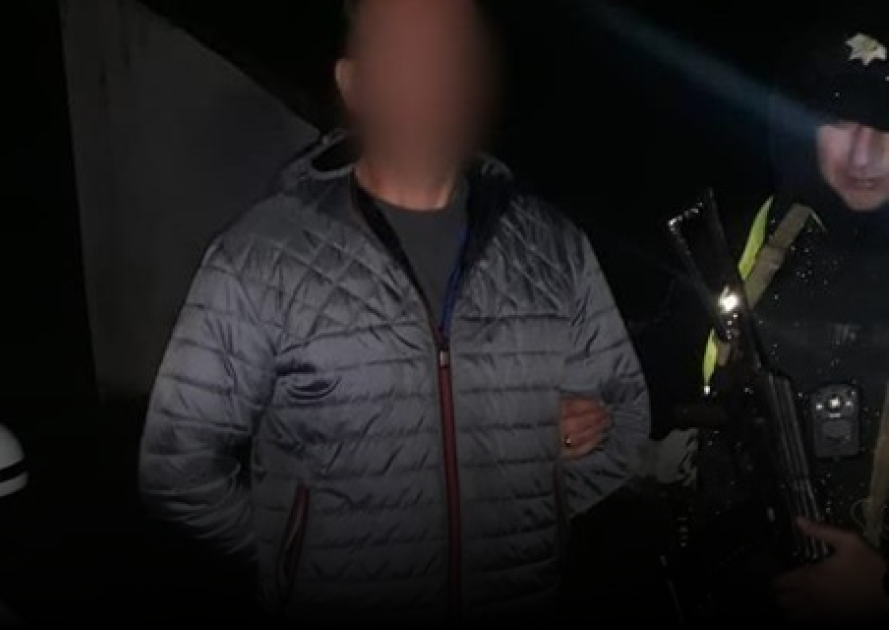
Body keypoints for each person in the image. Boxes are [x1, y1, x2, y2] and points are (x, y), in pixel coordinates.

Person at [137, 0, 649, 625]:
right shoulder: (261, 257)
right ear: (355, 84)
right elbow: (178, 464)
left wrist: (544, 491)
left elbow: (625, 416)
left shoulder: (553, 248)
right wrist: (295, 559)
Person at [654, 8, 889, 624]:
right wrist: (582, 417)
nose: (863, 154)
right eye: (839, 119)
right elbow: (648, 395)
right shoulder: (740, 243)